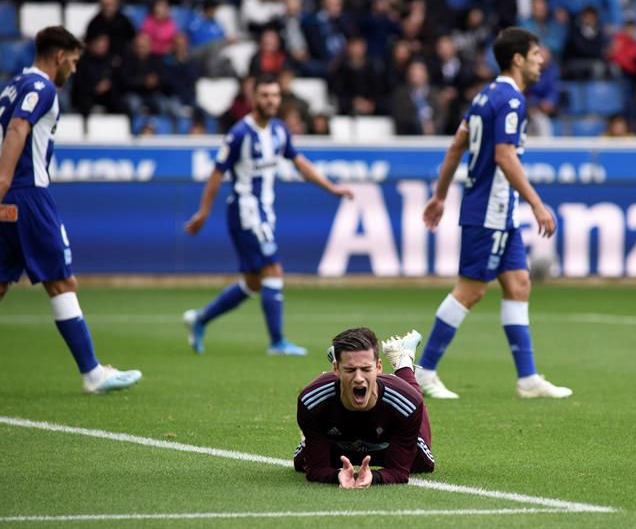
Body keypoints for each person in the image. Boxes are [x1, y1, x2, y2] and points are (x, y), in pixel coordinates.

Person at [415, 27, 572, 400]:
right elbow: (504, 156)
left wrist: (439, 196)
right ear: (517, 59)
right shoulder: (513, 102)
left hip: (500, 212)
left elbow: (457, 146)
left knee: (519, 284)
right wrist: (536, 202)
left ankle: (528, 378)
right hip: (489, 210)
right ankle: (424, 370)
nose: (541, 60)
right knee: (470, 291)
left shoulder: (484, 96)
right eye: (535, 54)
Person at [0, 26, 142, 394]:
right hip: (29, 195)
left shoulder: (12, 86)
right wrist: (3, 181)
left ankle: (93, 372)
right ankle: (93, 373)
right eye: (75, 61)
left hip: (10, 199)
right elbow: (17, 129)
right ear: (60, 56)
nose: (75, 70)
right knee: (62, 281)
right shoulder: (42, 88)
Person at [183, 74, 353, 356]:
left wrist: (332, 188)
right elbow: (216, 173)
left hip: (264, 212)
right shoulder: (239, 134)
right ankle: (277, 342)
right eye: (265, 95)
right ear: (254, 98)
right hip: (245, 211)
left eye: (275, 95)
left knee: (253, 282)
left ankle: (200, 319)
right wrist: (203, 212)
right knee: (273, 269)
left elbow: (300, 163)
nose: (271, 100)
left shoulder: (279, 131)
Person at [294, 328, 435, 487]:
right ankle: (350, 364)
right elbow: (317, 470)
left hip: (387, 444)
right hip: (338, 444)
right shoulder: (311, 401)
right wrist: (337, 475)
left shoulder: (407, 401)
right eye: (350, 369)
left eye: (366, 369)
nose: (359, 379)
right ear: (336, 369)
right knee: (301, 463)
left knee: (422, 463)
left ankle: (403, 362)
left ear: (378, 367)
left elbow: (399, 471)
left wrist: (374, 477)